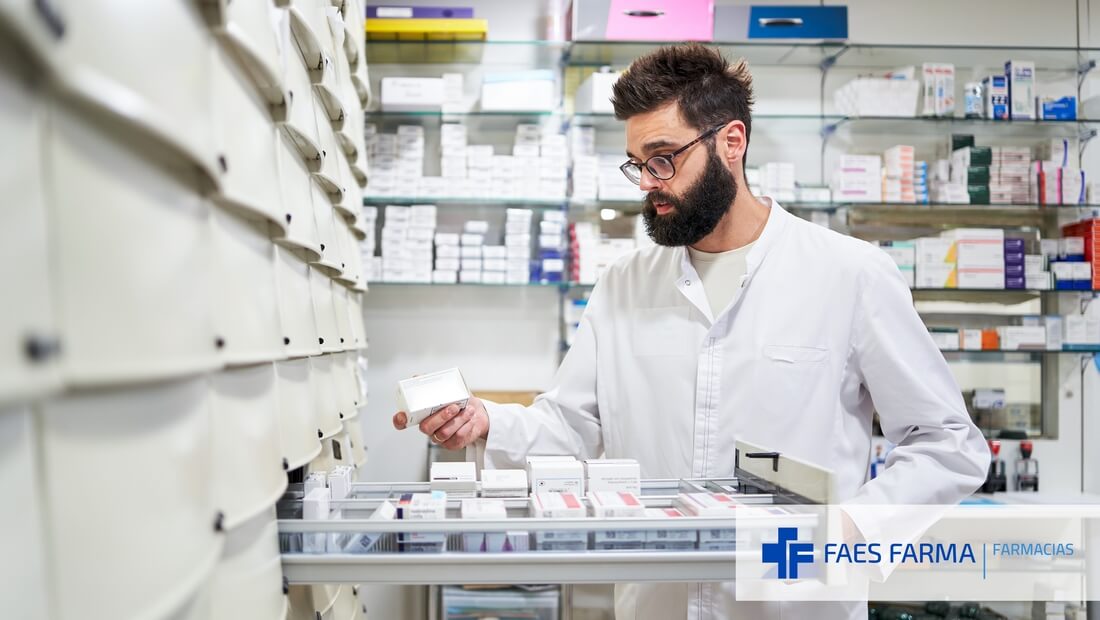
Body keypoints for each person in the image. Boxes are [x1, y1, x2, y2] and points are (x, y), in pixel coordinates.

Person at [393, 43, 990, 620]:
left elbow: (947, 443)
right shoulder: (624, 283)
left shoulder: (849, 274)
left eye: (664, 158)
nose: (650, 182)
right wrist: (486, 419)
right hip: (658, 602)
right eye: (638, 164)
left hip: (796, 602)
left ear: (731, 142)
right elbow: (571, 428)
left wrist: (854, 530)